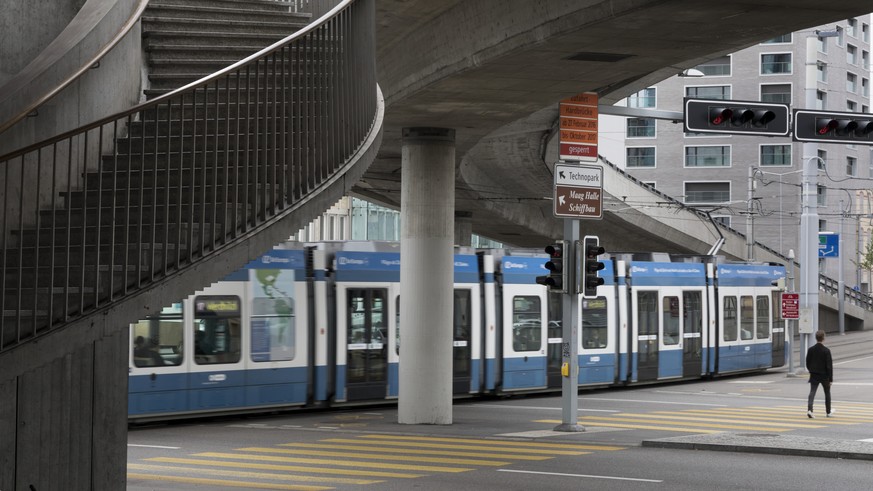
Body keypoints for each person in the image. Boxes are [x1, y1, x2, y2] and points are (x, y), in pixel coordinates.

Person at [805, 329, 833, 419]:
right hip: (824, 376)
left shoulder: (811, 350)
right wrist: (831, 379)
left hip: (814, 375)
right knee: (827, 393)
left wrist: (811, 370)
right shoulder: (826, 351)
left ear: (816, 338)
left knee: (812, 392)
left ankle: (810, 410)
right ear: (823, 338)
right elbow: (829, 366)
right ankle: (828, 412)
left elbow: (807, 363)